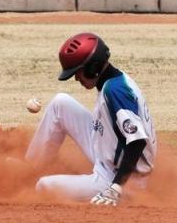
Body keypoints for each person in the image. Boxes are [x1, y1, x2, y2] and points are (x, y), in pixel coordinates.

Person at [25, 32, 157, 206]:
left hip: (122, 176)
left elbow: (138, 142)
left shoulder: (115, 91)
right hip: (109, 152)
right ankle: (30, 170)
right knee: (60, 103)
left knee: (44, 186)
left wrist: (115, 187)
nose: (76, 78)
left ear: (92, 67)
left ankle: (120, 191)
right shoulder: (114, 80)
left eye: (78, 72)